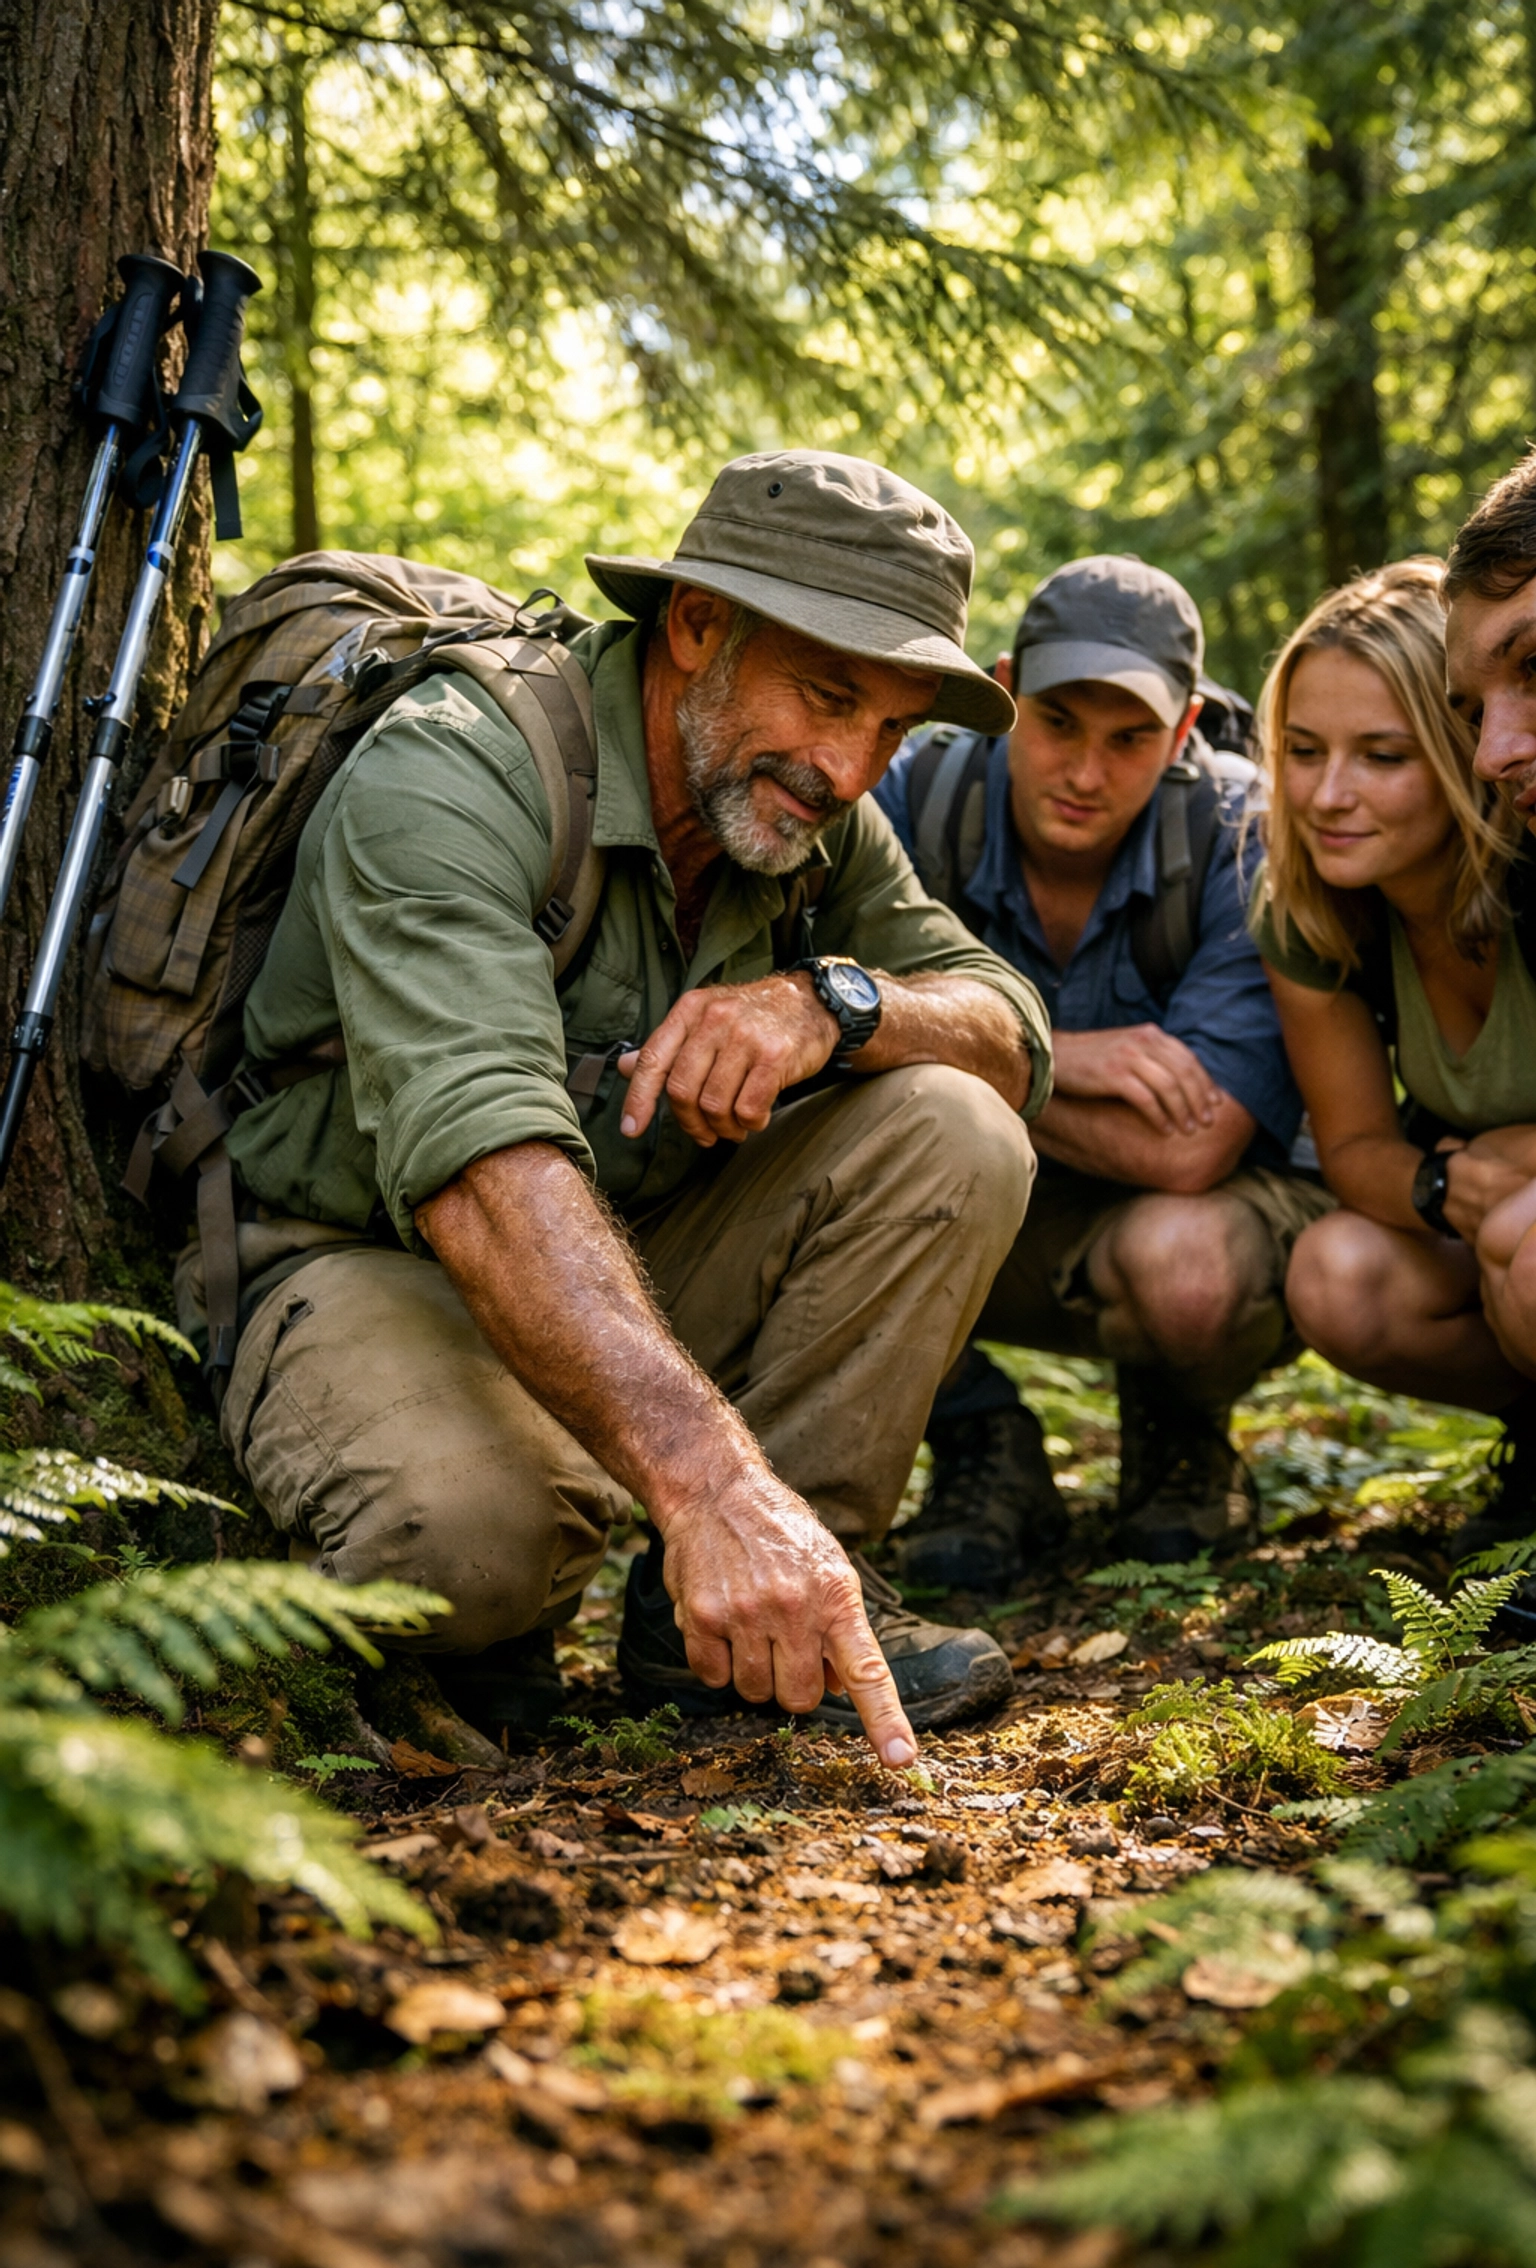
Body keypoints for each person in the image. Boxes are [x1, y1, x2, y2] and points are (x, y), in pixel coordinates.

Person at [194, 450, 1056, 1763]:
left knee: (956, 1127)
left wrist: (833, 1005)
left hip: (620, 1249)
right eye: (826, 697)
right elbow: (485, 1167)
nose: (848, 767)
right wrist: (708, 1476)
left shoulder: (809, 816)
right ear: (698, 625)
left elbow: (1009, 1033)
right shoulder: (461, 767)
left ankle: (755, 1612)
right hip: (362, 1251)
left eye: (889, 729)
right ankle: (605, 1563)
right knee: (471, 1543)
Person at [877, 554, 1322, 1590]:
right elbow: (815, 1029)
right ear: (1004, 694)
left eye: (1129, 739)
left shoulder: (1242, 834)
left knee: (1189, 1273)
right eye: (1058, 724)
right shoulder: (912, 797)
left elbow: (1192, 1145)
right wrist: (1051, 1052)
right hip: (965, 1202)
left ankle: (1180, 1421)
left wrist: (927, 1042)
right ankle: (979, 1431)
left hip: (1191, 1211)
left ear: (1182, 733)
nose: (1085, 771)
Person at [1253, 554, 1536, 1582]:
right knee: (1336, 1276)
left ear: (1464, 746)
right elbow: (1358, 1146)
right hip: (1486, 1217)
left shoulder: (1528, 871)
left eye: (1380, 754)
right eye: (1303, 750)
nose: (1330, 795)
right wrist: (1446, 1179)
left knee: (1527, 1241)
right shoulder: (1314, 913)